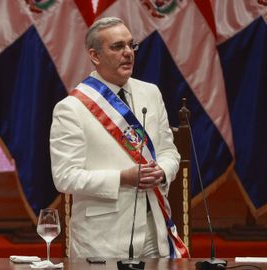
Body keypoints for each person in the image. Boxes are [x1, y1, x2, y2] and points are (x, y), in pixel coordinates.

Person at [50, 17, 188, 259]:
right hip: (104, 239)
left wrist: (162, 172)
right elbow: (65, 177)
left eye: (131, 45)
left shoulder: (151, 92)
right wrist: (122, 178)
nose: (128, 53)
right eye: (117, 47)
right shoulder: (71, 108)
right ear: (95, 55)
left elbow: (169, 152)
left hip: (156, 231)